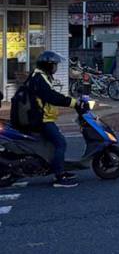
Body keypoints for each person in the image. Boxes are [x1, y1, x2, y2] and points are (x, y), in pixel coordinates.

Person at [29, 51, 80, 188]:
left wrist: (72, 101)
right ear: (48, 65)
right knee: (60, 143)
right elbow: (51, 97)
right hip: (42, 119)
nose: (56, 68)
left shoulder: (42, 76)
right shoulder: (39, 78)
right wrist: (73, 103)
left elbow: (52, 95)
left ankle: (59, 168)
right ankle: (59, 176)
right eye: (54, 65)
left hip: (44, 117)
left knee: (54, 143)